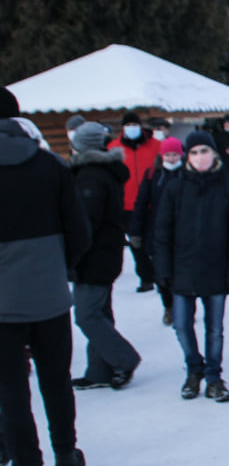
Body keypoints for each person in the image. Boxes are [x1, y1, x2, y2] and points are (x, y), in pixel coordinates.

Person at [0, 89, 92, 466]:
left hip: (2, 307)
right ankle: (66, 459)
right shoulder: (51, 164)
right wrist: (58, 268)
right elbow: (80, 232)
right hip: (51, 296)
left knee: (12, 395)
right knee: (56, 380)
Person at [153, 131, 229, 403]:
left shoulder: (228, 188)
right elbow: (162, 232)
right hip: (182, 270)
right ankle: (194, 369)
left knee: (214, 328)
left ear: (214, 153)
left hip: (216, 269)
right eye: (193, 152)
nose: (199, 157)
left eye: (204, 151)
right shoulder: (175, 188)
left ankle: (214, 376)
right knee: (182, 324)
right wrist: (163, 271)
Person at [67, 122, 141, 391]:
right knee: (100, 312)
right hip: (105, 253)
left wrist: (73, 255)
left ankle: (124, 358)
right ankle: (99, 370)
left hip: (94, 256)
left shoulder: (90, 175)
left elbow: (86, 222)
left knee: (86, 315)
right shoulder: (102, 171)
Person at [130, 137, 185, 325]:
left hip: (182, 231)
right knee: (162, 273)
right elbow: (141, 203)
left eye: (174, 154)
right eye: (167, 155)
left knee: (181, 272)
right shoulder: (152, 174)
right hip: (157, 232)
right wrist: (135, 231)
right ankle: (168, 306)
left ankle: (184, 307)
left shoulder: (187, 174)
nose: (171, 158)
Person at [108, 111, 161, 292]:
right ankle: (146, 278)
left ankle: (162, 276)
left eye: (134, 125)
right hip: (127, 204)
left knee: (156, 240)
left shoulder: (156, 145)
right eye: (128, 125)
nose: (131, 128)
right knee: (136, 244)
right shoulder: (114, 148)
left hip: (153, 203)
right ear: (122, 128)